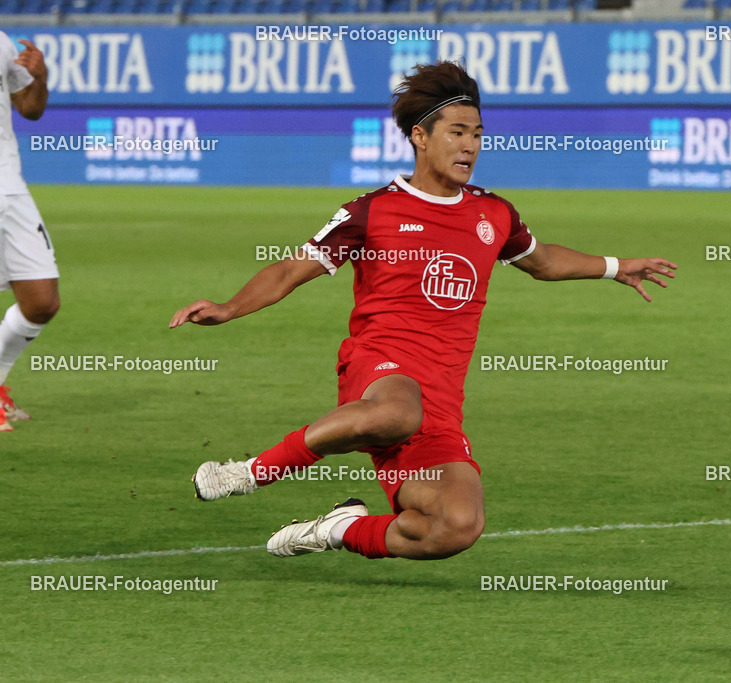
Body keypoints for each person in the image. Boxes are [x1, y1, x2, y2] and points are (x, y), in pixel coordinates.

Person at [170, 61, 676, 562]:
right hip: (379, 371)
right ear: (420, 136)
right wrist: (228, 308)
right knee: (396, 411)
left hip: (440, 404)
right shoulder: (371, 211)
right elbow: (287, 270)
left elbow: (542, 261)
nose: (470, 145)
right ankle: (249, 473)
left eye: (477, 134)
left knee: (456, 526)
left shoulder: (493, 214)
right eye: (457, 132)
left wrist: (616, 267)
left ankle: (341, 529)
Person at [0, 32, 59, 433]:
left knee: (41, 301)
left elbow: (30, 108)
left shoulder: (3, 44)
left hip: (9, 185)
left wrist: (39, 77)